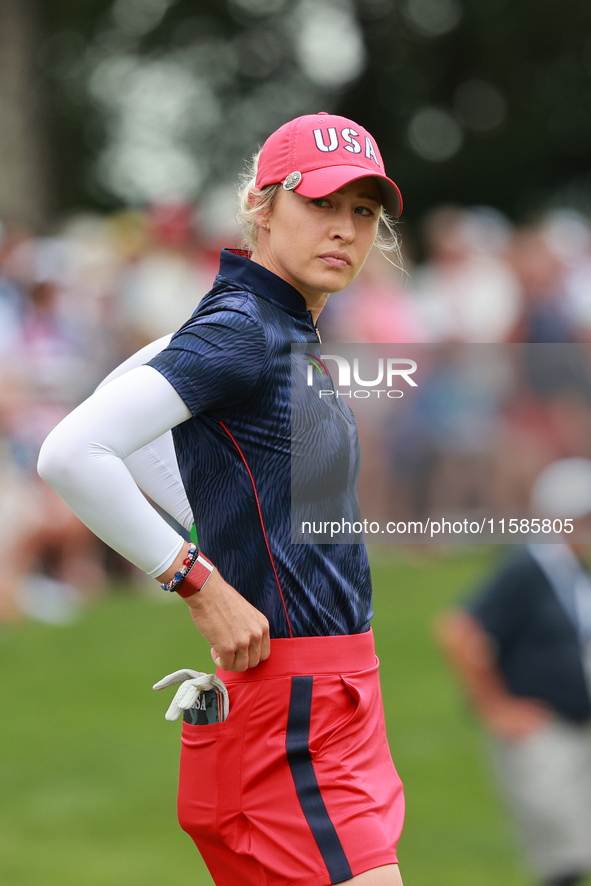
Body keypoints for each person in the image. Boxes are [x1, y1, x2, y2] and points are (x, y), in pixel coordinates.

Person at [38, 112, 406, 886]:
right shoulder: (243, 327)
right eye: (321, 204)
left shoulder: (272, 325)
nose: (344, 230)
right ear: (261, 206)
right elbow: (72, 452)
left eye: (362, 212)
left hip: (330, 701)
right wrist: (197, 580)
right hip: (297, 714)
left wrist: (215, 528)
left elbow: (139, 425)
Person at [436, 458, 591, 886]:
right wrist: (495, 706)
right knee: (563, 859)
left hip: (574, 730)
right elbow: (458, 631)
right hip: (543, 733)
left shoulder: (571, 572)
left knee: (576, 846)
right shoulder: (527, 568)